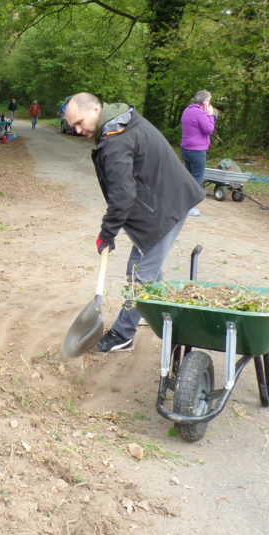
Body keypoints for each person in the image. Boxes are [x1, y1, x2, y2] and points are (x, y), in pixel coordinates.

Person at [63, 92, 204, 352]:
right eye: (73, 126)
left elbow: (123, 195)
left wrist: (107, 234)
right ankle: (156, 312)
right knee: (149, 269)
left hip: (166, 206)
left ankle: (123, 334)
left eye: (79, 123)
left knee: (139, 273)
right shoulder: (120, 122)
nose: (78, 130)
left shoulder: (116, 139)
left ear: (95, 110)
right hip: (167, 198)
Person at [180, 90, 216, 217]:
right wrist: (210, 115)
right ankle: (189, 207)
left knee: (189, 178)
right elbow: (209, 130)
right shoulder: (200, 113)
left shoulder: (187, 110)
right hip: (197, 150)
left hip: (186, 149)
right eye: (209, 100)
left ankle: (183, 204)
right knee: (196, 179)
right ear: (205, 102)